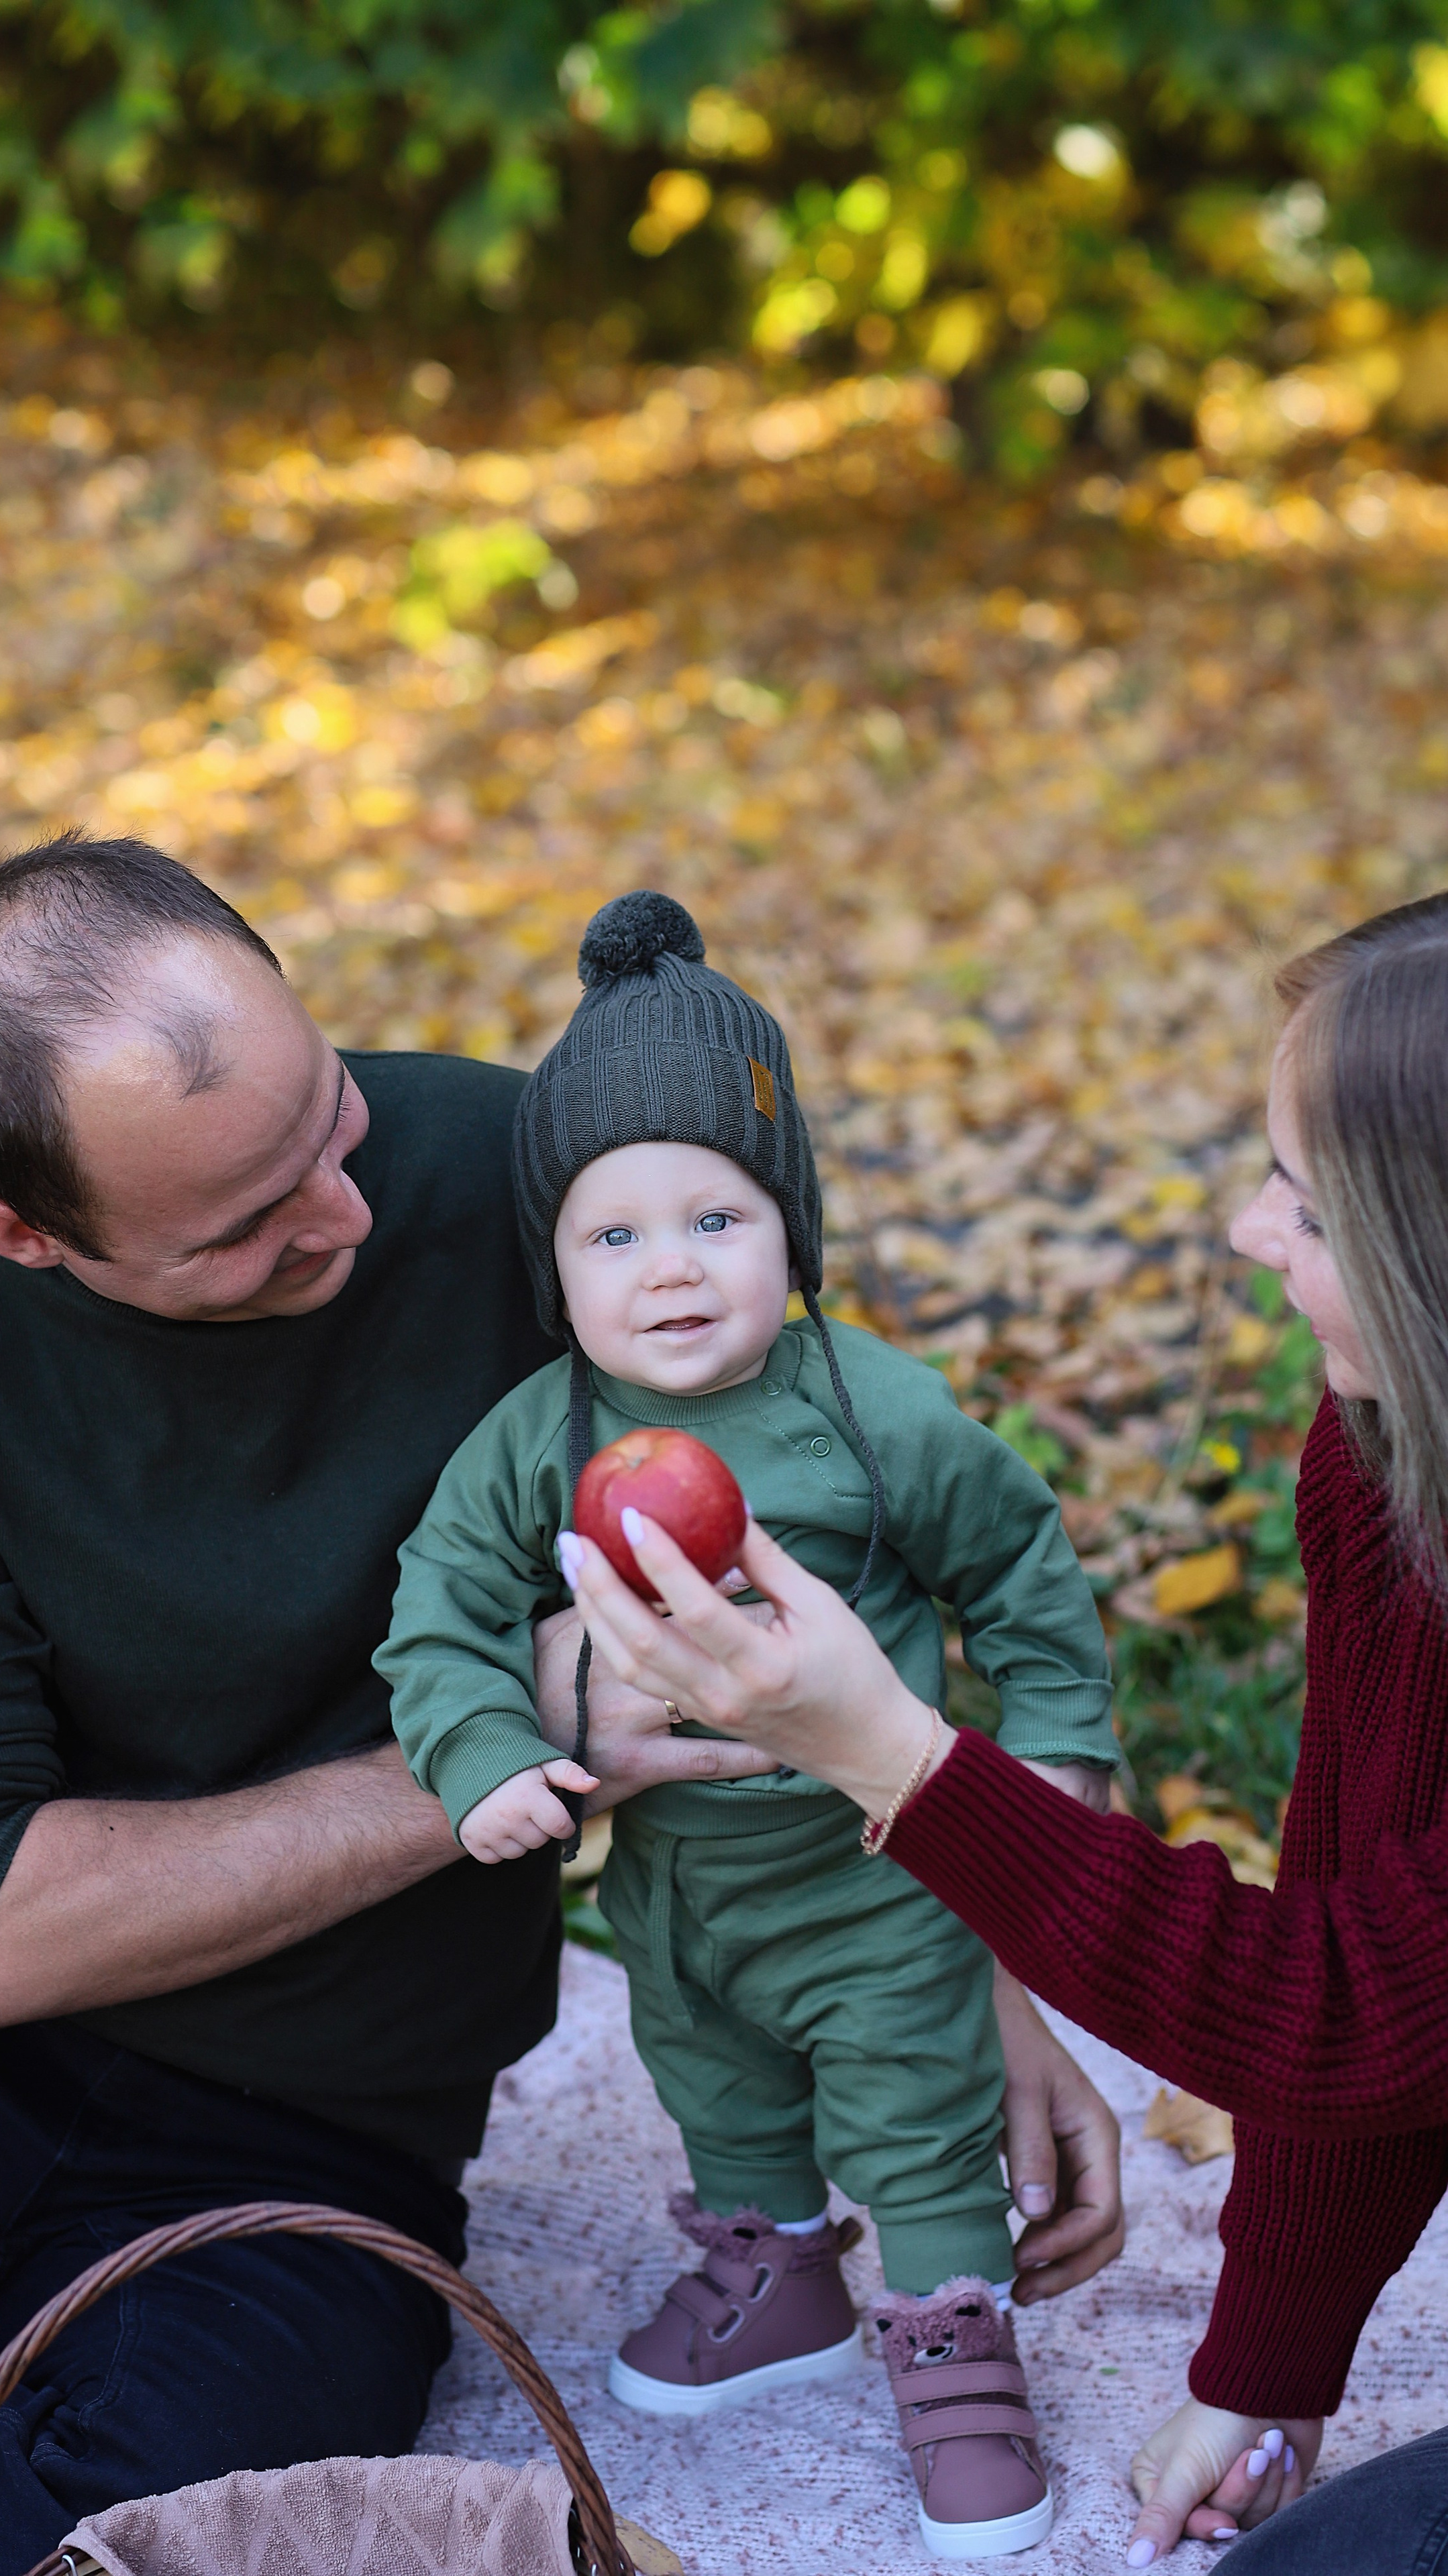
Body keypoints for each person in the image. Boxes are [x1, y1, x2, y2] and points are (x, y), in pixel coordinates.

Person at [0, 833, 813, 2576]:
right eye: (246, 1227)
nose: (345, 1215)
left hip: (321, 2131)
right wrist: (493, 1740)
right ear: (26, 1235)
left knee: (123, 2547)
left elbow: (828, 1553)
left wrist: (983, 1981)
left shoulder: (530, 1175)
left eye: (327, 1119)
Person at [560, 887, 1448, 2573]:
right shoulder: (1387, 1449)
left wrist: (889, 1755)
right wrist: (1266, 2362)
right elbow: (1369, 1943)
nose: (1243, 1233)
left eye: (1307, 1205)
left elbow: (1339, 2012)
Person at [378, 892, 1118, 2558]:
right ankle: (777, 2273)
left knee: (917, 2117)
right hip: (674, 1891)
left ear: (793, 1230)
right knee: (714, 2086)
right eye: (612, 1237)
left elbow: (1019, 1574)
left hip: (877, 1874)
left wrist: (1057, 1762)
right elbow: (440, 1608)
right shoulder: (537, 1436)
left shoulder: (873, 1413)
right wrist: (482, 1753)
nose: (670, 1268)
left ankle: (954, 2346)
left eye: (716, 1217)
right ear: (552, 1268)